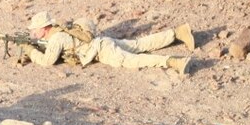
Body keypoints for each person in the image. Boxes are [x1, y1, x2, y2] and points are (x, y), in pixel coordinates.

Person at [22, 11, 195, 75]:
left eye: (35, 29)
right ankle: (177, 33)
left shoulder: (56, 38)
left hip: (102, 51)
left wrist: (30, 51)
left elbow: (47, 61)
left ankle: (172, 62)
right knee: (137, 45)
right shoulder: (57, 31)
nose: (33, 32)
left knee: (133, 60)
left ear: (44, 28)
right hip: (102, 42)